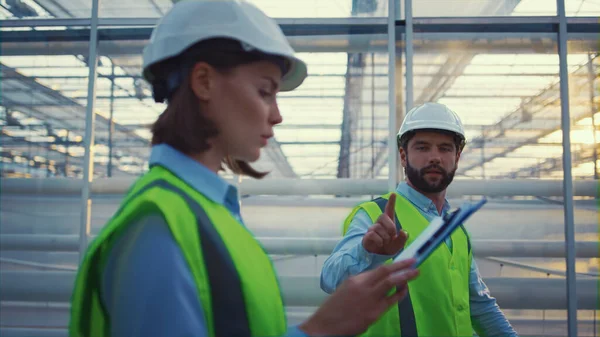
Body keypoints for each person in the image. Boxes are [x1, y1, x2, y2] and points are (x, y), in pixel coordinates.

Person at [67, 1, 420, 337]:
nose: (277, 114)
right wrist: (320, 329)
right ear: (203, 81)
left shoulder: (205, 212)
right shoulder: (157, 225)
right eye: (265, 91)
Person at [320, 102, 518, 337]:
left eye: (445, 149)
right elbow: (331, 280)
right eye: (422, 148)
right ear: (404, 156)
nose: (435, 157)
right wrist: (368, 250)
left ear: (457, 157)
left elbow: (478, 304)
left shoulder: (456, 229)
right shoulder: (376, 215)